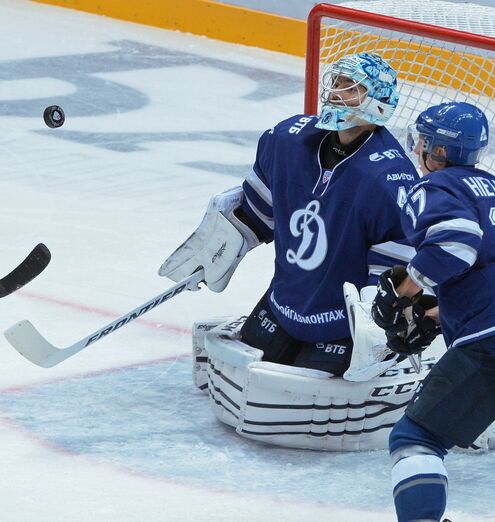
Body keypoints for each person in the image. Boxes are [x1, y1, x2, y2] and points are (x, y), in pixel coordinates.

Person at [160, 52, 419, 378]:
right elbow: (256, 215)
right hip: (283, 302)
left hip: (339, 320)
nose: (337, 93)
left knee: (299, 391)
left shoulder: (390, 178)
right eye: (337, 83)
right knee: (246, 378)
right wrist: (219, 247)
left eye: (352, 88)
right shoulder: (288, 140)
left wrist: (375, 325)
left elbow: (393, 266)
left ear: (380, 106)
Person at [371, 101, 495, 522]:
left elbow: (456, 244)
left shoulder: (437, 188)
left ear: (437, 150)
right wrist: (437, 315)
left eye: (423, 139)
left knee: (416, 437)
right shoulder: (492, 187)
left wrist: (406, 291)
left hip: (489, 343)